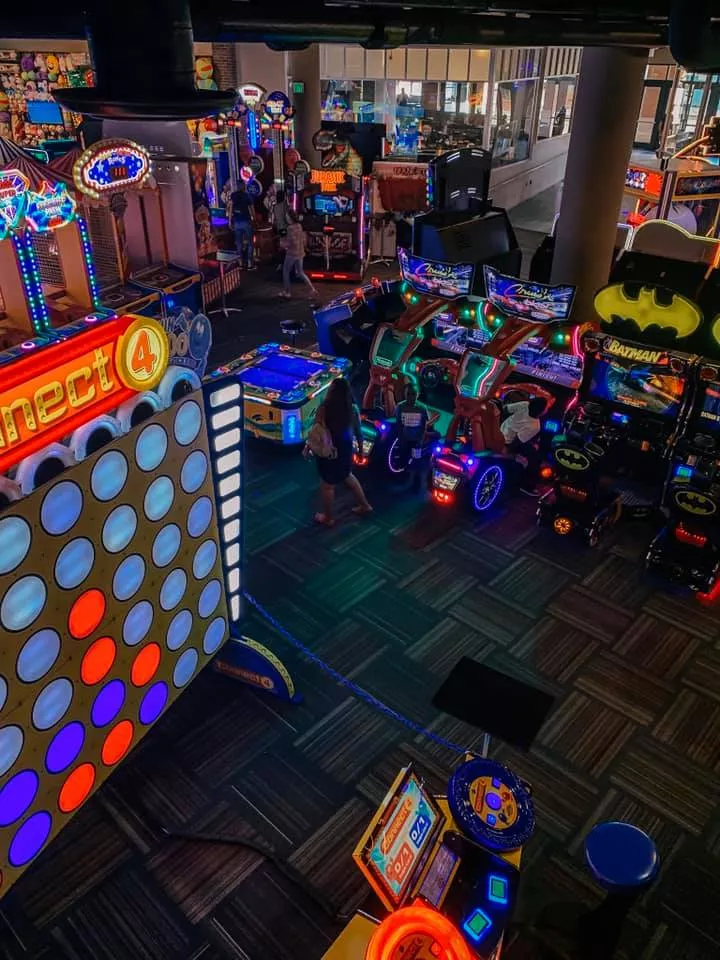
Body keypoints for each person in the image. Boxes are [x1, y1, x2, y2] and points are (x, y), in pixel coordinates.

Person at [311, 378, 372, 526]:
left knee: (327, 485)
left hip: (329, 450)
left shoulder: (324, 408)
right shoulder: (352, 409)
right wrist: (360, 451)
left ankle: (328, 517)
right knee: (347, 475)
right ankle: (365, 505)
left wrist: (310, 447)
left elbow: (317, 430)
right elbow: (358, 432)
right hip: (345, 449)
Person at [500, 393, 546, 495]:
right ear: (541, 412)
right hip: (508, 442)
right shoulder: (535, 426)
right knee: (535, 456)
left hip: (500, 430)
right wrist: (508, 453)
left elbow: (505, 409)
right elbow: (517, 441)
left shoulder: (524, 404)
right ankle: (527, 486)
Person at [395, 383, 430, 490]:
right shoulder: (400, 407)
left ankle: (415, 483)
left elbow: (424, 425)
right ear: (405, 394)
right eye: (409, 394)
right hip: (405, 439)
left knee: (416, 461)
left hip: (416, 441)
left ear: (418, 394)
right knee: (403, 459)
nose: (411, 397)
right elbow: (399, 424)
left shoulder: (422, 408)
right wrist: (400, 438)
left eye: (413, 394)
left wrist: (420, 439)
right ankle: (403, 478)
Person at [279, 210, 318, 299]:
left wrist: (282, 243)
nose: (286, 218)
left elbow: (291, 242)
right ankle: (312, 289)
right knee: (300, 272)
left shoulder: (290, 228)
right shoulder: (299, 226)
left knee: (285, 271)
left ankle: (287, 292)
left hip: (292, 253)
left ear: (290, 218)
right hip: (300, 253)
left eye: (287, 217)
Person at [230, 183, 254, 268]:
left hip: (237, 222)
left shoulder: (233, 195)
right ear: (244, 187)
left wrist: (230, 221)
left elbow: (230, 208)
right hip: (246, 221)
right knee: (250, 242)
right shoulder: (247, 196)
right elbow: (251, 209)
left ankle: (240, 263)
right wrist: (253, 219)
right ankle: (250, 263)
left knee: (239, 243)